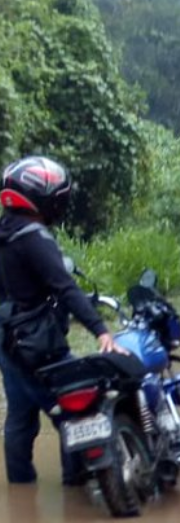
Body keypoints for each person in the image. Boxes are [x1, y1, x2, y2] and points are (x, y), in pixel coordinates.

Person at [0, 156, 123, 485]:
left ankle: (21, 487)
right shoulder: (33, 236)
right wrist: (100, 329)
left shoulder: (5, 233)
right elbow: (65, 287)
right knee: (75, 411)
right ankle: (75, 485)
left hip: (9, 343)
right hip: (39, 346)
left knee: (20, 417)